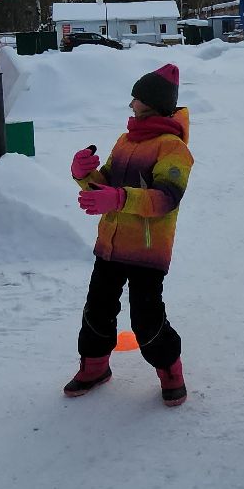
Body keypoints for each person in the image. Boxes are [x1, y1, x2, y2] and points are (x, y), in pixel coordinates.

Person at [65, 64, 191, 407]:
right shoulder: (126, 140)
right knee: (97, 308)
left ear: (149, 103)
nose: (131, 103)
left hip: (147, 252)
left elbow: (166, 198)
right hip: (110, 245)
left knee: (146, 317)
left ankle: (170, 370)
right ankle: (94, 366)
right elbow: (105, 183)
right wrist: (84, 175)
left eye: (136, 98)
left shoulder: (173, 148)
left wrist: (119, 197)